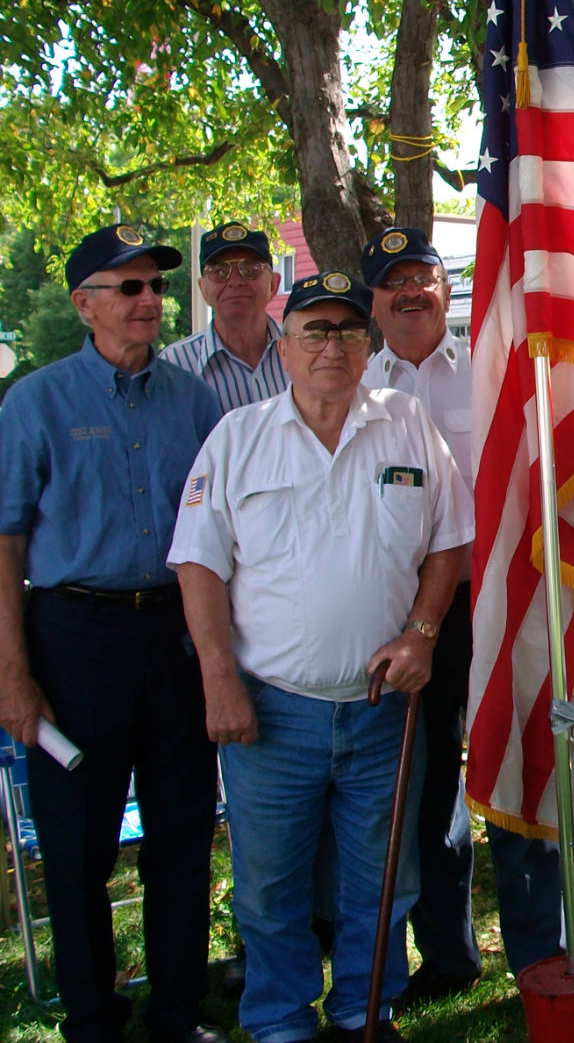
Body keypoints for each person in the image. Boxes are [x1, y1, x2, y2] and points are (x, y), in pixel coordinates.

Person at [169, 272, 472, 1043]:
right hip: (272, 712)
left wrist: (424, 632)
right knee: (271, 890)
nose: (331, 345)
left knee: (383, 883)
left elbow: (448, 540)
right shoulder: (237, 438)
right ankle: (279, 1021)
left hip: (381, 709)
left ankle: (364, 1013)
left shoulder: (406, 424)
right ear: (286, 344)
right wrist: (218, 680)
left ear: (368, 347)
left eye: (346, 330)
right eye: (315, 330)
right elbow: (199, 564)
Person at [359, 227, 574, 987]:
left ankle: (539, 955)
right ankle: (446, 957)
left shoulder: (496, 368)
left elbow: (549, 461)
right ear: (375, 302)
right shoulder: (357, 391)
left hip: (508, 595)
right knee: (426, 783)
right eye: (393, 282)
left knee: (526, 757)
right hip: (415, 617)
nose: (411, 292)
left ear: (447, 291)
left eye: (425, 277)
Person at [0, 225, 223, 1043]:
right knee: (77, 845)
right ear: (83, 303)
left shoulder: (193, 401)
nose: (149, 302)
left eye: (156, 288)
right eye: (128, 288)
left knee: (182, 833)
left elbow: (217, 532)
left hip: (173, 638)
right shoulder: (36, 402)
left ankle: (176, 1009)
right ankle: (91, 1017)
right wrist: (11, 673)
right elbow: (5, 543)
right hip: (72, 641)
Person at [162, 221, 287, 410]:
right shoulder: (174, 366)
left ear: (273, 284)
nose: (235, 281)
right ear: (203, 289)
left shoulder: (305, 353)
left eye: (251, 270)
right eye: (220, 272)